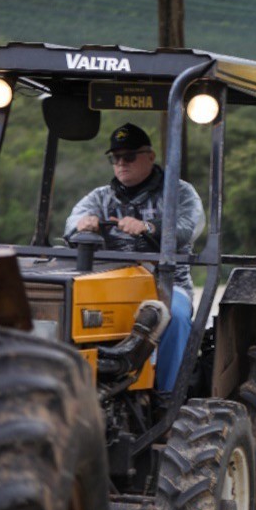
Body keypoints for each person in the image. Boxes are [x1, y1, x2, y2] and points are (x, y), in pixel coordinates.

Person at [65, 123, 205, 395]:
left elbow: (190, 227)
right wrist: (83, 224)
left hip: (164, 284)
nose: (121, 164)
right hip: (111, 289)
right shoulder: (100, 197)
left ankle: (168, 400)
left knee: (173, 316)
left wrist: (150, 228)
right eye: (115, 158)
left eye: (128, 157)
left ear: (150, 157)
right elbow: (70, 224)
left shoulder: (179, 192)